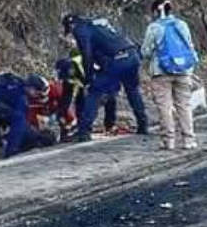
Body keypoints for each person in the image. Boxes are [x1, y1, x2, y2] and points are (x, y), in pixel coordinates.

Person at [63, 14, 149, 142]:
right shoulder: (99, 25)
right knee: (132, 90)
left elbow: (87, 55)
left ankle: (84, 132)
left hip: (116, 60)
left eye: (70, 32)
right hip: (132, 55)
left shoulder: (80, 29)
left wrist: (89, 77)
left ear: (71, 25)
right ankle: (143, 125)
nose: (72, 36)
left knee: (94, 92)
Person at [141, 0, 200, 151]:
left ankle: (169, 141)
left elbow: (146, 52)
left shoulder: (154, 27)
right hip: (184, 71)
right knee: (184, 106)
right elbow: (189, 45)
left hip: (161, 72)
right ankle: (189, 140)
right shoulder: (182, 25)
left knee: (165, 107)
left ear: (155, 11)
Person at [0, 73, 56, 158]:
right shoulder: (21, 97)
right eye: (39, 94)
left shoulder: (16, 82)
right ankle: (11, 151)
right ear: (32, 88)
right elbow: (20, 123)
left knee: (3, 112)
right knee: (18, 118)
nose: (38, 97)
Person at [55, 50, 116, 140]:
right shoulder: (69, 74)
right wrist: (61, 116)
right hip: (85, 83)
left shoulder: (86, 62)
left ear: (71, 70)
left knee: (107, 99)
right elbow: (65, 98)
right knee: (80, 103)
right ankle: (81, 128)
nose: (68, 79)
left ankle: (108, 126)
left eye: (68, 76)